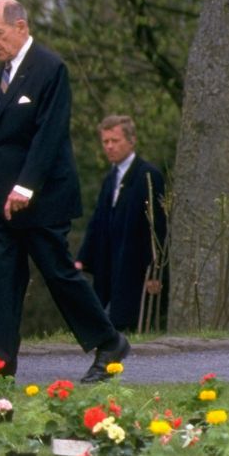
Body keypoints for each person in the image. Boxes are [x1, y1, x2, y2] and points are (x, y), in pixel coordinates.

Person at [0, 0, 129, 382]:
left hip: (41, 199)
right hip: (1, 202)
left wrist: (25, 187)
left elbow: (50, 133)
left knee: (59, 274)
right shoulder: (2, 73)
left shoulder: (50, 68)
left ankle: (109, 342)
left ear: (21, 27)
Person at [75, 115, 168, 331]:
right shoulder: (111, 179)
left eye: (115, 141)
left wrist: (156, 272)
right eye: (105, 141)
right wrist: (83, 258)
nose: (109, 147)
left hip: (137, 268)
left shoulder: (148, 176)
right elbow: (98, 222)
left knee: (132, 323)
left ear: (131, 140)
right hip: (111, 264)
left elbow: (158, 227)